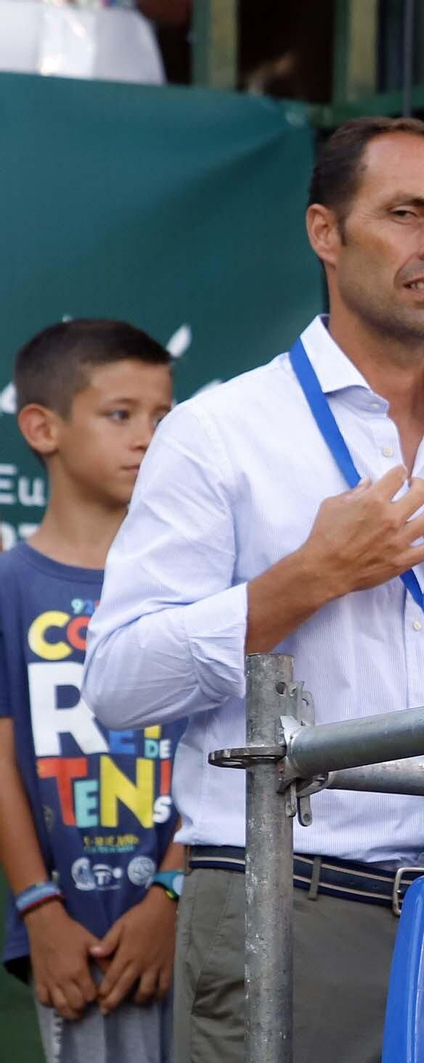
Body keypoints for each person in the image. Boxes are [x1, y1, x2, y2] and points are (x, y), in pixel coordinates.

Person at [82, 117, 424, 1063]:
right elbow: (118, 684)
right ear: (325, 233)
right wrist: (304, 580)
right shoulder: (218, 432)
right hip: (288, 897)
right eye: (406, 213)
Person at [0, 320, 181, 1063]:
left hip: (185, 918)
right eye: (120, 415)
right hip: (66, 929)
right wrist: (38, 905)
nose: (147, 437)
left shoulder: (191, 582)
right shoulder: (10, 582)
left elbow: (226, 747)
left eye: (163, 417)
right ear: (41, 426)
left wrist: (173, 891)